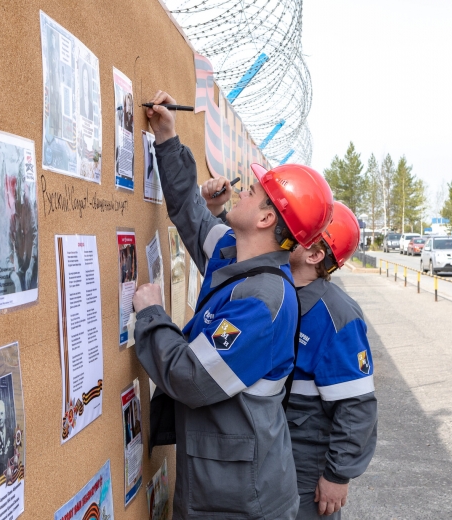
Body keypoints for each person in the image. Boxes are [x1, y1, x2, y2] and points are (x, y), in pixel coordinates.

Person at [131, 90, 334, 520]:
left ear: (265, 219)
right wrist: (167, 139)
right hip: (222, 483)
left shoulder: (262, 302)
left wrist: (151, 315)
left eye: (253, 192)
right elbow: (190, 212)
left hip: (241, 501)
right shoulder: (233, 252)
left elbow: (189, 376)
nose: (240, 191)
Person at [204, 184, 378, 518]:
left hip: (306, 468)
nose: (291, 232)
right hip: (270, 454)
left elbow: (356, 405)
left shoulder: (337, 315)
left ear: (314, 256)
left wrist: (337, 475)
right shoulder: (270, 288)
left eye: (305, 234)